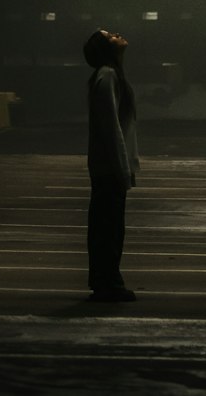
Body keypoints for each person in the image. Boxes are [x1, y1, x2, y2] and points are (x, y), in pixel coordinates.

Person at [83, 27, 139, 302]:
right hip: (109, 168)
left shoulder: (110, 75)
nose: (118, 35)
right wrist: (122, 169)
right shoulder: (107, 76)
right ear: (107, 49)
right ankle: (109, 283)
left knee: (106, 226)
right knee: (110, 228)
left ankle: (103, 280)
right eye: (111, 36)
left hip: (109, 166)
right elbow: (112, 129)